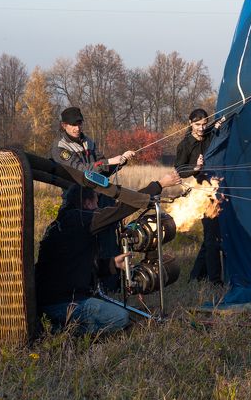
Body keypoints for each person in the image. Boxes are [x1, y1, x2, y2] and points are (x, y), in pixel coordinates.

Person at [35, 171, 180, 334]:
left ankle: (57, 324)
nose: (99, 207)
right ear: (88, 202)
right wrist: (159, 185)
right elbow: (121, 210)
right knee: (119, 317)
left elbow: (74, 267)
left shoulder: (63, 223)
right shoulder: (82, 220)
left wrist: (111, 264)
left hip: (49, 301)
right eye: (97, 202)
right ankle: (59, 330)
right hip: (63, 303)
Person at [175, 108, 225, 284]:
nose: (201, 128)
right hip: (200, 195)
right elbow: (179, 170)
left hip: (217, 190)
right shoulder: (186, 144)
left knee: (213, 237)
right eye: (197, 125)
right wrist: (195, 168)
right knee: (212, 239)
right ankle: (215, 281)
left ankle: (196, 276)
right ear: (190, 123)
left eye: (204, 124)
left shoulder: (210, 134)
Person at [51, 106, 134, 176]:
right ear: (64, 125)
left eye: (79, 123)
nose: (77, 128)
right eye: (73, 124)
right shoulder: (60, 146)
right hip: (74, 192)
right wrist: (110, 161)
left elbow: (103, 170)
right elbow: (79, 170)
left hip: (95, 191)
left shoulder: (89, 142)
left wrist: (121, 160)